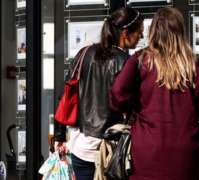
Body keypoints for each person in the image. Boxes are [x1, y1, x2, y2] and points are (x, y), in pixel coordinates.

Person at [110, 7, 199, 180]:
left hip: (147, 149)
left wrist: (135, 107)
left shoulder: (140, 60)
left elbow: (117, 93)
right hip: (185, 151)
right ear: (180, 32)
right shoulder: (194, 65)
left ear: (154, 31)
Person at [54, 7, 144, 180]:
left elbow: (65, 95)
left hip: (81, 146)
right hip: (111, 149)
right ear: (125, 33)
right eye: (139, 33)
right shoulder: (127, 62)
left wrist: (60, 135)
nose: (140, 37)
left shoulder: (84, 54)